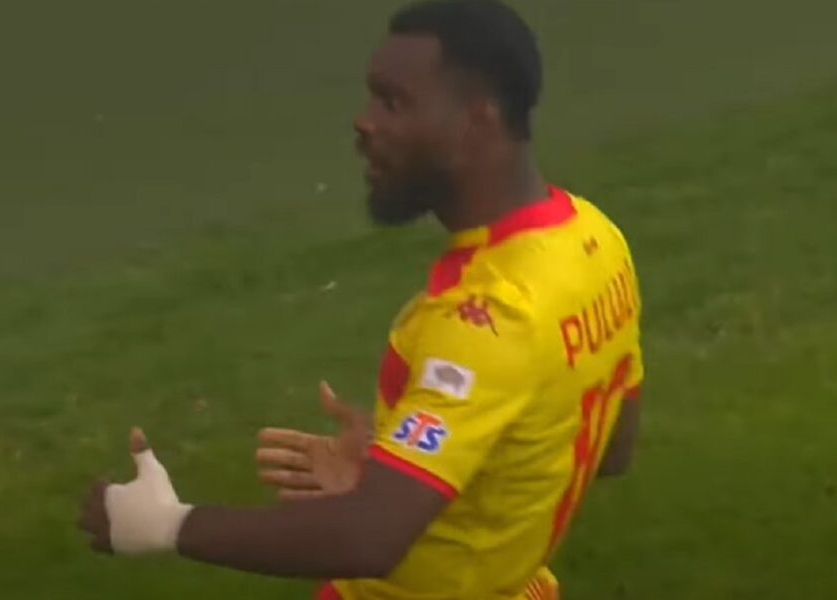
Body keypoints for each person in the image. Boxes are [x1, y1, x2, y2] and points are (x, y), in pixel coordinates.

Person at [77, 1, 645, 598]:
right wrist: (401, 467)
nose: (364, 123)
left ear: (476, 122)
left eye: (393, 103)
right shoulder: (594, 239)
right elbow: (611, 450)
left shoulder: (485, 320)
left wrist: (165, 523)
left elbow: (370, 539)